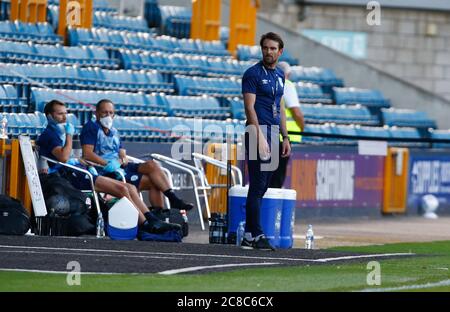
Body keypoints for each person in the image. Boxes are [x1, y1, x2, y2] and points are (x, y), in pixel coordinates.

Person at [37, 100, 181, 236]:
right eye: (60, 114)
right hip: (66, 178)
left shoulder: (58, 133)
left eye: (65, 113)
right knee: (123, 189)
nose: (64, 117)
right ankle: (145, 224)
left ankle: (152, 219)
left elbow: (65, 157)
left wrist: (77, 160)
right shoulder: (49, 135)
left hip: (77, 172)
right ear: (50, 116)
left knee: (129, 188)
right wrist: (69, 135)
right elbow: (62, 157)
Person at [80, 99, 194, 213]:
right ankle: (156, 215)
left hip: (119, 166)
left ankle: (169, 202)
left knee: (152, 165)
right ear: (96, 113)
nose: (108, 115)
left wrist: (122, 160)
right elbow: (87, 154)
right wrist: (107, 164)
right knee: (154, 182)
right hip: (104, 170)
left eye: (111, 113)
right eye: (105, 112)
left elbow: (122, 153)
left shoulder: (114, 131)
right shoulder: (91, 127)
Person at [241, 32, 291, 250]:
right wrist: (259, 137)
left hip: (273, 134)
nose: (268, 52)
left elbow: (280, 107)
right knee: (258, 183)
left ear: (280, 52)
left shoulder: (280, 75)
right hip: (257, 133)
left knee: (264, 186)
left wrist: (285, 136)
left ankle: (249, 234)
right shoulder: (252, 74)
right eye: (265, 48)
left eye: (273, 49)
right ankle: (255, 233)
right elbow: (249, 107)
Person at [269, 61, 304, 188]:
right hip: (283, 137)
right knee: (277, 176)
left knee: (266, 175)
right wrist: (302, 127)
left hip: (267, 134)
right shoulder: (286, 85)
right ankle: (271, 206)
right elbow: (297, 113)